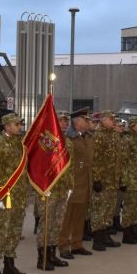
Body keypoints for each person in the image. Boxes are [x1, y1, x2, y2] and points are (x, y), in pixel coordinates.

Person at [0, 112, 29, 274]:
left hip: (18, 197)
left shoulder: (19, 144)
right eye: (17, 124)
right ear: (7, 126)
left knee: (14, 232)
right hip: (4, 198)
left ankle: (9, 265)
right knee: (0, 233)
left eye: (20, 124)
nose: (20, 127)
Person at [35, 110, 72, 271]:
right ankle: (41, 257)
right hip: (48, 189)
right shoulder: (46, 141)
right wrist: (43, 186)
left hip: (63, 189)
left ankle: (52, 253)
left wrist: (70, 185)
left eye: (66, 121)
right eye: (61, 121)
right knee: (46, 224)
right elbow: (38, 165)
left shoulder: (68, 142)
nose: (64, 124)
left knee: (57, 223)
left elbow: (69, 167)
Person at [58, 108, 95, 258]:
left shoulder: (88, 137)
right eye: (85, 120)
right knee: (67, 216)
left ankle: (77, 244)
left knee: (80, 216)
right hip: (72, 183)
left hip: (85, 182)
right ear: (77, 122)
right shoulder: (69, 138)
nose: (88, 123)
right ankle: (63, 245)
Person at [90, 111, 123, 251]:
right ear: (103, 120)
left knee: (109, 209)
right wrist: (96, 179)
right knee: (99, 209)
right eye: (111, 118)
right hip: (103, 180)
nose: (114, 121)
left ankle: (106, 236)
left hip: (113, 179)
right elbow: (95, 159)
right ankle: (97, 239)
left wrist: (119, 177)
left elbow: (118, 159)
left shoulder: (114, 135)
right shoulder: (98, 136)